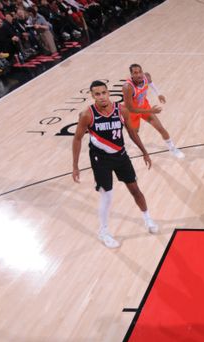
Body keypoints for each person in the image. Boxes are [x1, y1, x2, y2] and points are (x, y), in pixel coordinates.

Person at [72, 80, 157, 249]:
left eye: (104, 92)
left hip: (121, 156)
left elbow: (132, 132)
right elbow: (77, 138)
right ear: (92, 95)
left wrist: (144, 152)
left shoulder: (121, 109)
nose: (102, 96)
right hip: (100, 160)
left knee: (135, 190)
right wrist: (75, 165)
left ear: (108, 93)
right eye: (97, 94)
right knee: (107, 196)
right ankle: (103, 232)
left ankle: (147, 218)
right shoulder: (87, 115)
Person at [122, 63, 185, 158]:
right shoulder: (128, 87)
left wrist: (159, 94)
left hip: (144, 107)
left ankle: (172, 149)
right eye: (135, 73)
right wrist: (150, 111)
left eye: (140, 72)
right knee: (135, 134)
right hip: (132, 113)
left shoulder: (146, 77)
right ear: (131, 75)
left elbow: (151, 83)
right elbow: (130, 108)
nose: (138, 75)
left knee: (161, 128)